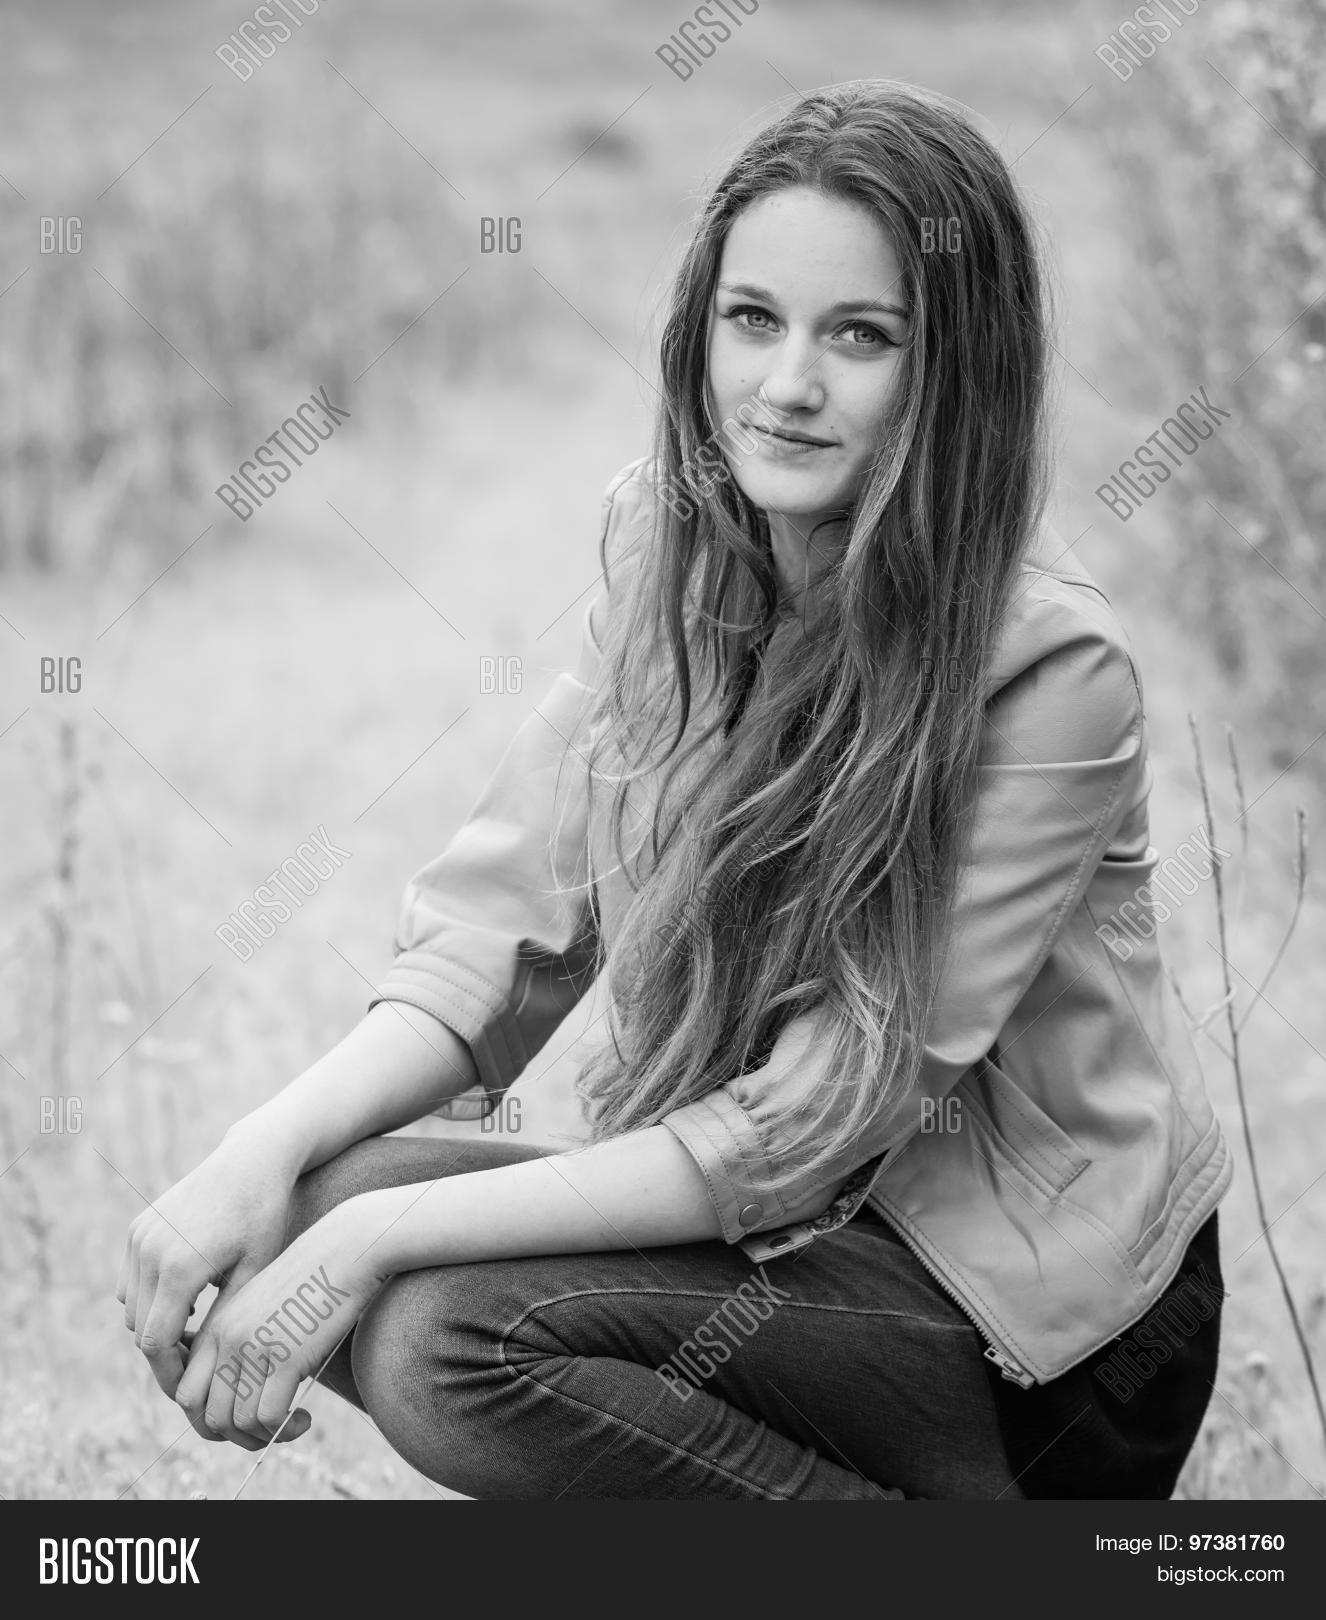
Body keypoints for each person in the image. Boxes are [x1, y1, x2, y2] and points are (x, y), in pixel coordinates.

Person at [118, 79, 1230, 1499]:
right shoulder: (669, 549)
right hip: (787, 1241)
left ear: (957, 367)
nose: (786, 386)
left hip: (1024, 1340)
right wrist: (258, 1153)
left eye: (862, 336)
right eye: (752, 319)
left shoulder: (1047, 669)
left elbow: (813, 1122)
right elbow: (500, 942)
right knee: (318, 1198)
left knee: (441, 1337)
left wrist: (377, 1242)